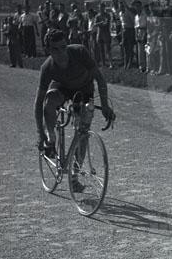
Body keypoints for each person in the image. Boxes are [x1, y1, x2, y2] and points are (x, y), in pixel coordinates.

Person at [35, 29, 116, 164]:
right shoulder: (47, 68)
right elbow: (38, 102)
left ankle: (76, 170)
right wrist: (40, 133)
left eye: (63, 47)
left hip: (84, 89)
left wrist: (104, 106)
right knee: (49, 101)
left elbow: (100, 78)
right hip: (63, 88)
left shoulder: (80, 52)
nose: (61, 53)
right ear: (48, 50)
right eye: (55, 49)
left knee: (83, 131)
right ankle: (51, 138)